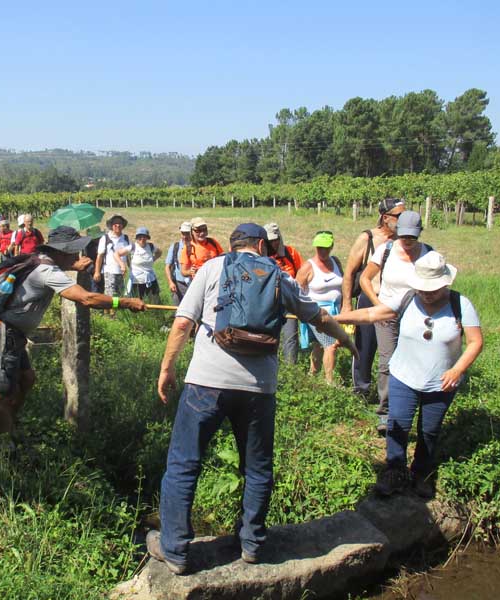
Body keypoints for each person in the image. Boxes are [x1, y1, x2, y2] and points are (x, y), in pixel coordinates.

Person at [147, 223, 357, 574]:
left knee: (183, 464)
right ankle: (252, 545)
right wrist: (347, 341)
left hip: (206, 382)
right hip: (259, 388)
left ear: (232, 245)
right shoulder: (280, 276)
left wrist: (167, 367)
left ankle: (176, 551)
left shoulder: (213, 267)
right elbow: (318, 317)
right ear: (261, 245)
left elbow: (183, 323)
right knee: (257, 468)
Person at [336, 251, 483, 497]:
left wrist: (458, 369)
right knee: (397, 425)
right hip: (403, 377)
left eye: (432, 290)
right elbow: (372, 314)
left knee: (429, 431)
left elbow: (476, 342)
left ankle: (421, 474)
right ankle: (394, 472)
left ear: (445, 283)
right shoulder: (408, 299)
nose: (426, 294)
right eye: (423, 289)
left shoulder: (460, 304)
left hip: (441, 383)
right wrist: (334, 318)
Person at [0, 226, 146, 435]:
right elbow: (86, 298)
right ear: (61, 251)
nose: (76, 255)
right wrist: (124, 302)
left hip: (15, 333)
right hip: (4, 332)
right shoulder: (46, 271)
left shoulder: (41, 260)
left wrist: (74, 265)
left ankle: (9, 425)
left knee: (26, 379)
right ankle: (1, 443)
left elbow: (60, 268)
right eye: (73, 252)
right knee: (2, 393)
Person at [360, 211, 433, 433]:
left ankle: (410, 408)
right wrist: (377, 303)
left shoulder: (428, 254)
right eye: (404, 236)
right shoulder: (386, 250)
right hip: (387, 317)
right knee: (387, 362)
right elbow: (364, 278)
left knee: (416, 362)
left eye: (413, 236)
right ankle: (386, 413)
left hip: (416, 317)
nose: (408, 241)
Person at [342, 198, 406, 400]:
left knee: (395, 348)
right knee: (364, 347)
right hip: (370, 299)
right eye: (399, 216)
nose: (403, 219)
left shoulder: (404, 239)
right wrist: (346, 305)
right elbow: (350, 273)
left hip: (396, 300)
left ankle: (393, 392)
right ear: (386, 218)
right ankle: (361, 390)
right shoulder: (368, 238)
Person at [296, 231, 344, 384]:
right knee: (331, 345)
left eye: (325, 248)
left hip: (335, 312)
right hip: (317, 314)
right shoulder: (308, 267)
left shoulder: (336, 262)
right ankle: (330, 383)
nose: (322, 251)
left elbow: (343, 284)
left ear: (331, 247)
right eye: (319, 248)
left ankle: (312, 375)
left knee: (319, 345)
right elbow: (296, 291)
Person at [263, 222, 304, 364]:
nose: (273, 243)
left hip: (289, 304)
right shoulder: (260, 257)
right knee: (267, 338)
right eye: (270, 241)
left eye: (275, 240)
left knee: (290, 337)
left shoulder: (291, 253)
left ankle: (291, 369)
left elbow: (302, 274)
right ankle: (269, 365)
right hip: (268, 304)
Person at [94, 214, 131, 299]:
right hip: (109, 271)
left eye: (120, 223)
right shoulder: (105, 238)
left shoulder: (125, 238)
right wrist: (97, 272)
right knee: (110, 296)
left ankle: (118, 312)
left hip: (122, 272)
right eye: (115, 223)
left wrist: (131, 268)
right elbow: (99, 256)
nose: (118, 225)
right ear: (111, 225)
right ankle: (110, 312)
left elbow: (128, 256)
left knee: (120, 295)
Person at [122, 227, 162, 301]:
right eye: (140, 236)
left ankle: (154, 312)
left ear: (147, 238)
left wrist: (153, 259)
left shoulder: (151, 246)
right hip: (136, 280)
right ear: (136, 238)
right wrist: (122, 265)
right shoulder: (132, 247)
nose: (142, 238)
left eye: (144, 236)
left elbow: (159, 252)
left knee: (154, 300)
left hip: (150, 279)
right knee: (136, 302)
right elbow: (118, 253)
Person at [164, 222, 192, 305]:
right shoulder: (175, 247)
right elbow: (167, 267)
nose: (185, 236)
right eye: (183, 233)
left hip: (194, 284)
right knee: (177, 310)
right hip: (178, 284)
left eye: (187, 233)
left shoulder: (197, 246)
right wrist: (170, 282)